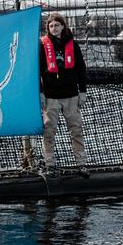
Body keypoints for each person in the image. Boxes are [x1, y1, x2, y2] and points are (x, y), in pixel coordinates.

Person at [39, 12, 89, 178]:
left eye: (57, 25)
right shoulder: (42, 45)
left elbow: (81, 69)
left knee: (76, 130)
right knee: (49, 132)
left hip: (71, 96)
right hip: (51, 96)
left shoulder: (73, 45)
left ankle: (81, 164)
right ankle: (50, 164)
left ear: (63, 26)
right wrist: (40, 92)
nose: (54, 28)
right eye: (51, 26)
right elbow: (36, 71)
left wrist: (82, 91)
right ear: (48, 28)